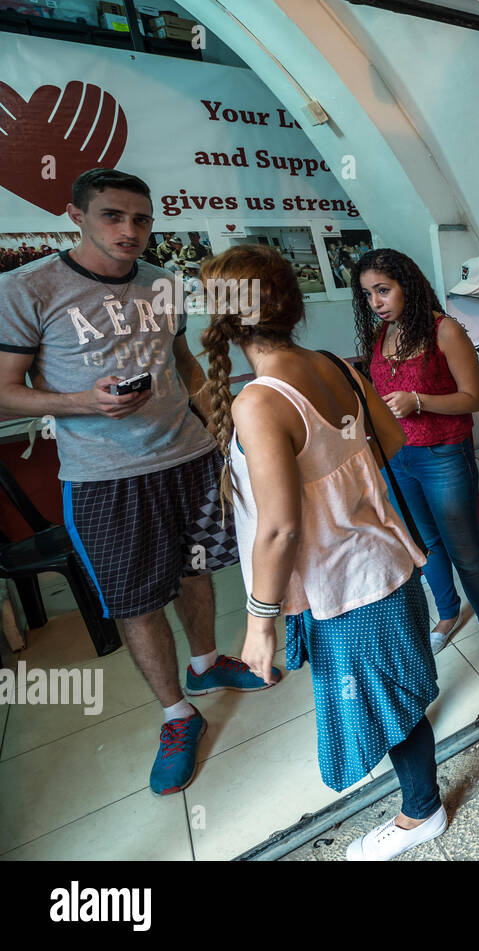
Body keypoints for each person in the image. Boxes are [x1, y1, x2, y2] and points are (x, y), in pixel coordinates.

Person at [0, 168, 272, 797]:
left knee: (196, 570)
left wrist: (218, 423)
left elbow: (180, 361)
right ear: (76, 216)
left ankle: (206, 666)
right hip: (105, 476)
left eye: (142, 219)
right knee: (136, 599)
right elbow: (5, 390)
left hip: (188, 456)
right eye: (113, 217)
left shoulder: (163, 283)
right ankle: (178, 715)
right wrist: (80, 402)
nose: (130, 231)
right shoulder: (28, 288)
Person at [199, 243, 446, 861]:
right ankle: (421, 800)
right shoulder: (332, 363)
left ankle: (422, 811)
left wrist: (259, 627)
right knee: (394, 690)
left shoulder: (259, 400)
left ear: (224, 314)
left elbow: (279, 529)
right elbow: (388, 438)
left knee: (388, 700)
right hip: (380, 559)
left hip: (345, 584)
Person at [352, 248, 479, 683]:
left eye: (383, 290)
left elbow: (473, 399)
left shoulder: (445, 330)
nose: (375, 302)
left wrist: (419, 401)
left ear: (407, 286)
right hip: (397, 460)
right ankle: (448, 614)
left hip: (442, 456)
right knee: (426, 546)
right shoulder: (382, 334)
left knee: (468, 554)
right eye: (367, 294)